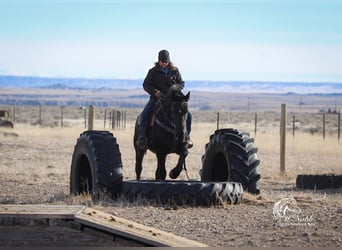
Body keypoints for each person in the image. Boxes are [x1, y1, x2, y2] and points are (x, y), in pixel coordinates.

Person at [136, 49, 193, 149]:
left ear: (169, 61)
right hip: (157, 99)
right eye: (162, 62)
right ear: (159, 61)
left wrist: (174, 88)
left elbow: (181, 83)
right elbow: (146, 84)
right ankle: (142, 137)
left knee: (189, 116)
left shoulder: (175, 71)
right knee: (145, 114)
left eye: (166, 62)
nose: (164, 64)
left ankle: (186, 137)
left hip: (174, 99)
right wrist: (155, 92)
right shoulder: (153, 71)